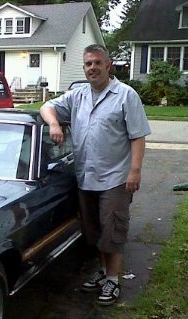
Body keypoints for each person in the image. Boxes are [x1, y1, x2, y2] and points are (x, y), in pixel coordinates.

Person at [40, 44, 151, 305]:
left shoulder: (125, 95)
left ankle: (113, 280)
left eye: (97, 63)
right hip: (86, 177)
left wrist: (135, 171)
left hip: (116, 178)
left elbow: (138, 136)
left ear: (108, 66)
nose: (93, 68)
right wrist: (55, 123)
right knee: (95, 231)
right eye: (88, 64)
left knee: (112, 230)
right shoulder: (78, 96)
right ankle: (103, 273)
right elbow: (47, 106)